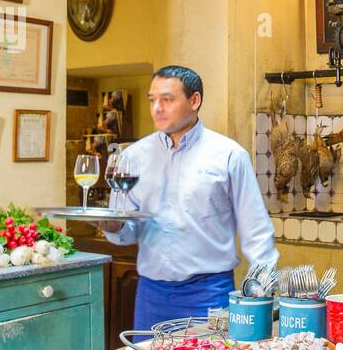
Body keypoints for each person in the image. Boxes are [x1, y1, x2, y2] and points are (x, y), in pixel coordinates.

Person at [92, 65, 278, 331]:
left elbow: (256, 231)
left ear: (194, 100)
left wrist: (259, 294)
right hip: (150, 294)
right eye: (152, 100)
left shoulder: (228, 155)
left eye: (167, 100)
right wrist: (115, 226)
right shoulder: (133, 156)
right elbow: (127, 229)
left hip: (210, 294)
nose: (157, 108)